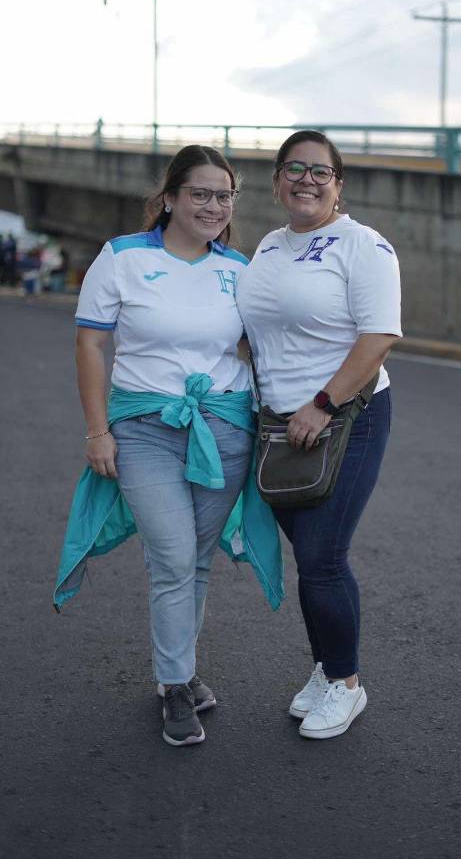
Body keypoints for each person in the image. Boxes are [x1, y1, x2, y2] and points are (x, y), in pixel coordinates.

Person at [69, 145, 259, 747]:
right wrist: (98, 431)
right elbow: (90, 346)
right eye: (199, 193)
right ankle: (175, 684)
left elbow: (260, 350)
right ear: (170, 197)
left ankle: (179, 670)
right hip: (144, 429)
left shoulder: (240, 269)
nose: (212, 205)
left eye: (223, 195)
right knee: (174, 556)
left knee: (194, 560)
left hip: (225, 429)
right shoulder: (123, 257)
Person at [237, 130, 402, 740]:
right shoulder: (270, 246)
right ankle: (327, 666)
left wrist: (323, 403)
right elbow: (260, 323)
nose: (306, 180)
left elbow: (378, 336)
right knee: (312, 559)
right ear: (279, 179)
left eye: (320, 172)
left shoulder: (364, 246)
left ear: (339, 185)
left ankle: (348, 684)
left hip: (344, 418)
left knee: (323, 559)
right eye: (294, 169)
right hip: (279, 425)